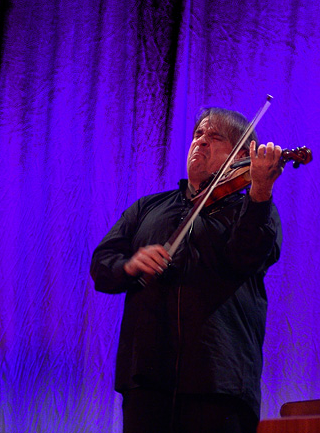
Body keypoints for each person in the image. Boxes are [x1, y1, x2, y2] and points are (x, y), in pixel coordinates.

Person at [90, 107, 283, 433]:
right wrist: (130, 265)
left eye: (215, 136)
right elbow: (102, 265)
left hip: (218, 379)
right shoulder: (148, 207)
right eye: (198, 135)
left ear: (243, 154)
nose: (201, 142)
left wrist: (260, 191)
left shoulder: (252, 209)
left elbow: (248, 256)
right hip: (147, 380)